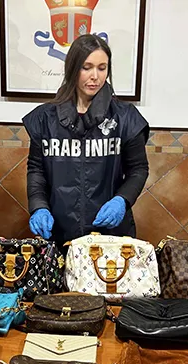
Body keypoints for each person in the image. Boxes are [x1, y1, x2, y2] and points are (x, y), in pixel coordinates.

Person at [24, 34, 149, 248]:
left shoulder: (126, 117)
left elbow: (138, 169)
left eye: (102, 68)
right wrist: (38, 206)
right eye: (87, 67)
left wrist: (122, 200)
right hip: (60, 232)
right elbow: (36, 169)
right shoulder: (45, 118)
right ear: (73, 68)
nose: (95, 76)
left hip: (110, 236)